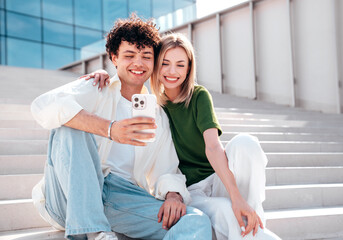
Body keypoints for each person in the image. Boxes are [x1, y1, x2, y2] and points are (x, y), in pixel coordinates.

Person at [31, 16, 212, 240]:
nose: (138, 63)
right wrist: (110, 129)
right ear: (114, 58)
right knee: (68, 125)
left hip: (121, 198)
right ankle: (93, 231)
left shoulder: (157, 114)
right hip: (70, 195)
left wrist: (174, 195)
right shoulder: (96, 86)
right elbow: (43, 105)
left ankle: (97, 226)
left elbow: (166, 168)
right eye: (129, 55)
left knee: (195, 220)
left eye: (146, 56)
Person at [89, 33, 282, 240]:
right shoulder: (151, 106)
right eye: (165, 63)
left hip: (217, 178)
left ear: (189, 68)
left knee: (246, 143)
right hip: (190, 190)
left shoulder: (198, 96)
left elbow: (214, 147)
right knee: (224, 210)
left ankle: (251, 214)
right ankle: (251, 230)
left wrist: (237, 197)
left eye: (180, 65)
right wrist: (105, 75)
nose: (173, 71)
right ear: (156, 65)